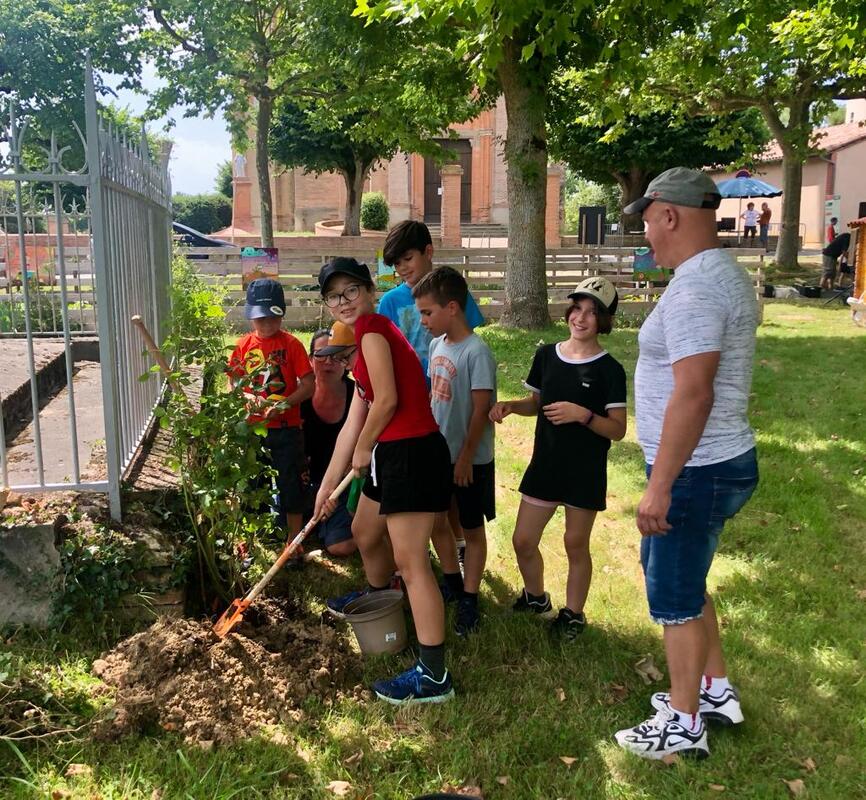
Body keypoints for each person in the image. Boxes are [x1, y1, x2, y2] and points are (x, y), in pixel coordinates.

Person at [614, 167, 759, 761]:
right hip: (715, 462)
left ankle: (684, 723)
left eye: (647, 221)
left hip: (696, 469)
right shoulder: (719, 274)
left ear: (668, 215)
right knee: (688, 580)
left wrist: (661, 486)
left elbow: (693, 393)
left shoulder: (697, 287)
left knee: (673, 596)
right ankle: (714, 689)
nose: (646, 234)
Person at [314, 257, 454, 704]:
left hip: (412, 452)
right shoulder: (361, 360)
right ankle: (380, 600)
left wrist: (364, 449)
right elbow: (350, 431)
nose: (344, 301)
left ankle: (434, 676)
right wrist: (324, 488)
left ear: (369, 291)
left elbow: (389, 401)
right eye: (334, 296)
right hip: (392, 454)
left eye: (351, 290)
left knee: (412, 561)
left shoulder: (373, 328)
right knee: (363, 531)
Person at [489, 277, 627, 641]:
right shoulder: (546, 355)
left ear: (604, 321)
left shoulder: (609, 370)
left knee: (574, 544)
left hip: (584, 472)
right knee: (522, 539)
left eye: (592, 312)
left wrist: (583, 415)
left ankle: (574, 614)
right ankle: (536, 597)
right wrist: (511, 407)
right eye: (577, 308)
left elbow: (617, 430)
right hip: (546, 465)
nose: (581, 318)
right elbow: (536, 402)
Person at [379, 220, 485, 579]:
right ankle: (423, 548)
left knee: (454, 474)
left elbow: (468, 338)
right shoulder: (390, 302)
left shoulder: (452, 291)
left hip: (451, 397)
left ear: (428, 252)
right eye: (395, 264)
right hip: (412, 402)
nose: (402, 269)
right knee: (426, 479)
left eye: (407, 258)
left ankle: (458, 544)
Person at [412, 267, 497, 636]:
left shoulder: (477, 352)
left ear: (452, 307)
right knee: (437, 521)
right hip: (438, 453)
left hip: (470, 460)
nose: (423, 321)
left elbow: (480, 410)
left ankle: (470, 599)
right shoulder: (436, 345)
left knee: (471, 529)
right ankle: (451, 581)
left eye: (427, 313)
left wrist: (465, 457)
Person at [228, 279, 315, 540]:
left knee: (292, 485)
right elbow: (233, 381)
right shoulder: (243, 346)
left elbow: (309, 385)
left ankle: (293, 541)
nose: (266, 324)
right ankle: (256, 539)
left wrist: (285, 404)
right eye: (260, 319)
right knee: (255, 485)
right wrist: (245, 396)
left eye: (272, 318)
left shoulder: (292, 345)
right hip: (255, 430)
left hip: (287, 429)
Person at [301, 324, 357, 557]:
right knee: (281, 529)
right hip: (305, 484)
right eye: (320, 355)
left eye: (336, 356)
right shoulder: (298, 396)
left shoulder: (358, 396)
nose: (328, 362)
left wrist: (332, 491)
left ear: (346, 361)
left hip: (343, 484)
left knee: (339, 546)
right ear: (310, 359)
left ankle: (374, 531)